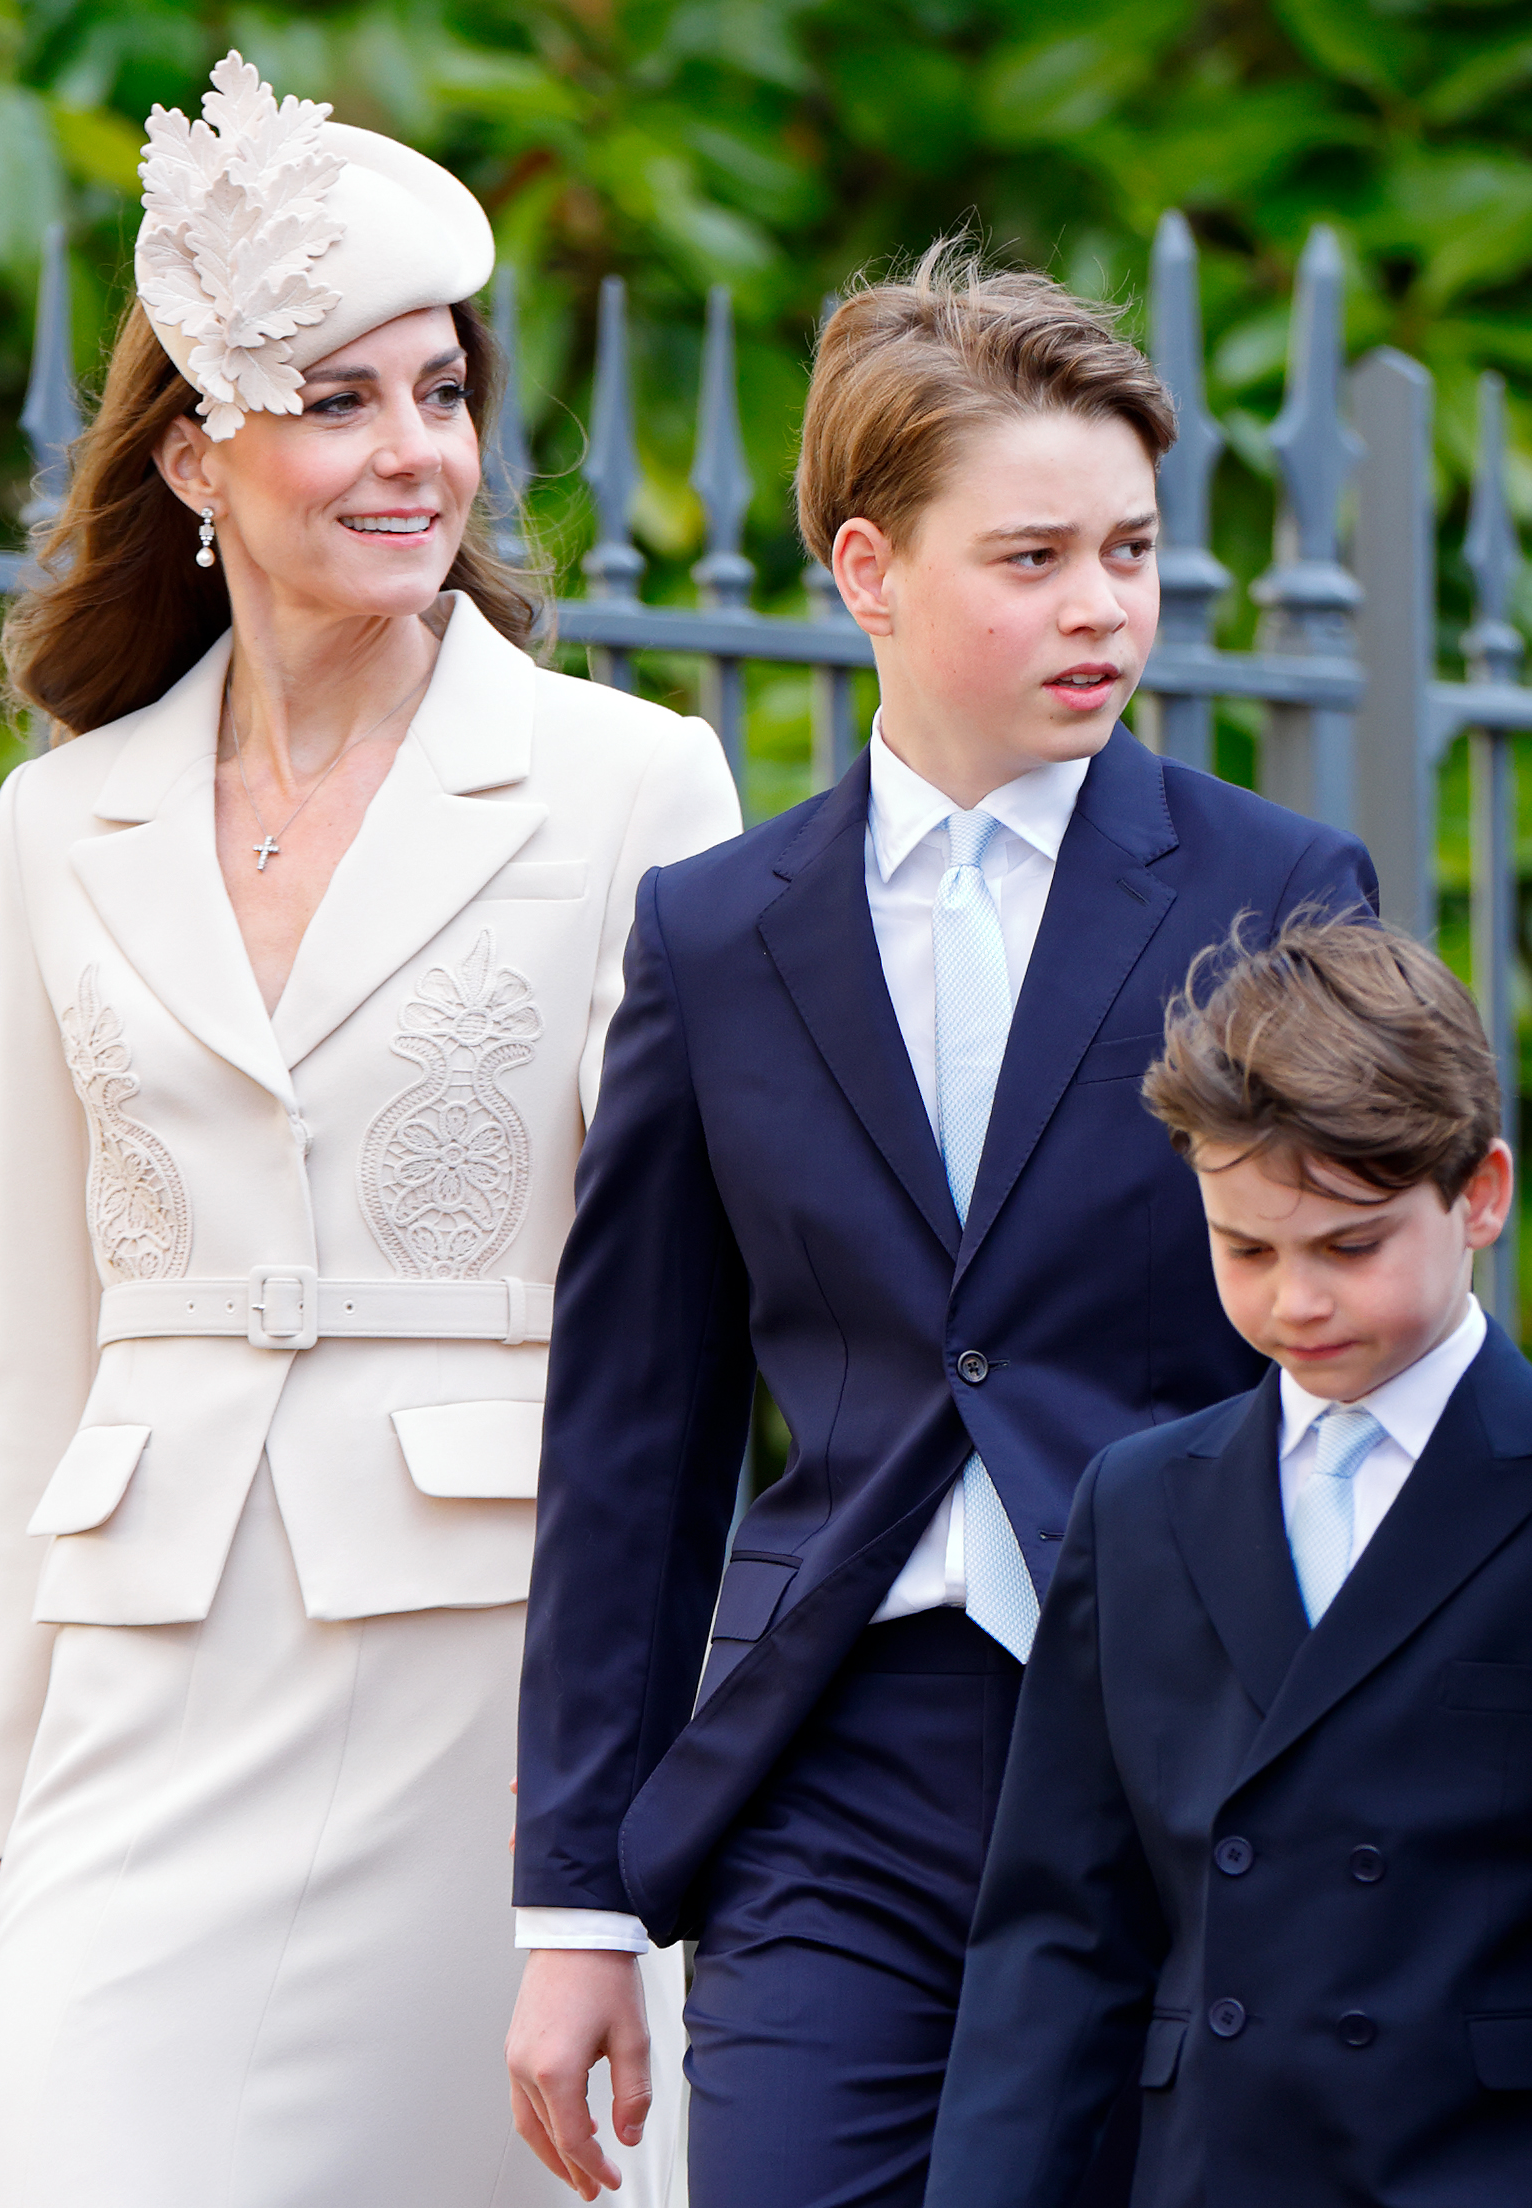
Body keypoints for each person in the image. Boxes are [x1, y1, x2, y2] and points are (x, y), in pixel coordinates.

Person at [0, 53, 738, 2208]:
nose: (420, 455)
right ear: (197, 449)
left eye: (445, 391)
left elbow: (685, 1329)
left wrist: (614, 1842)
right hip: (140, 1700)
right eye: (342, 400)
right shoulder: (63, 819)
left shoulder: (629, 786)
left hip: (480, 1699)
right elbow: (50, 1349)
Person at [506, 247, 1379, 2208]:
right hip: (836, 1770)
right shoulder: (718, 937)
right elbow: (637, 1433)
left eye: (1135, 552)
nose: (1105, 609)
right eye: (1036, 557)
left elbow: (1357, 1347)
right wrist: (572, 1906)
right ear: (866, 567)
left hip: (1196, 1744)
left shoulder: (1283, 891)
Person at [924, 918, 1528, 2208]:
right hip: (1219, 2173)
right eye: (1244, 1250)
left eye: (1350, 1247)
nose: (1293, 1302)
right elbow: (1057, 1933)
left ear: (1479, 1195)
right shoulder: (1140, 1505)